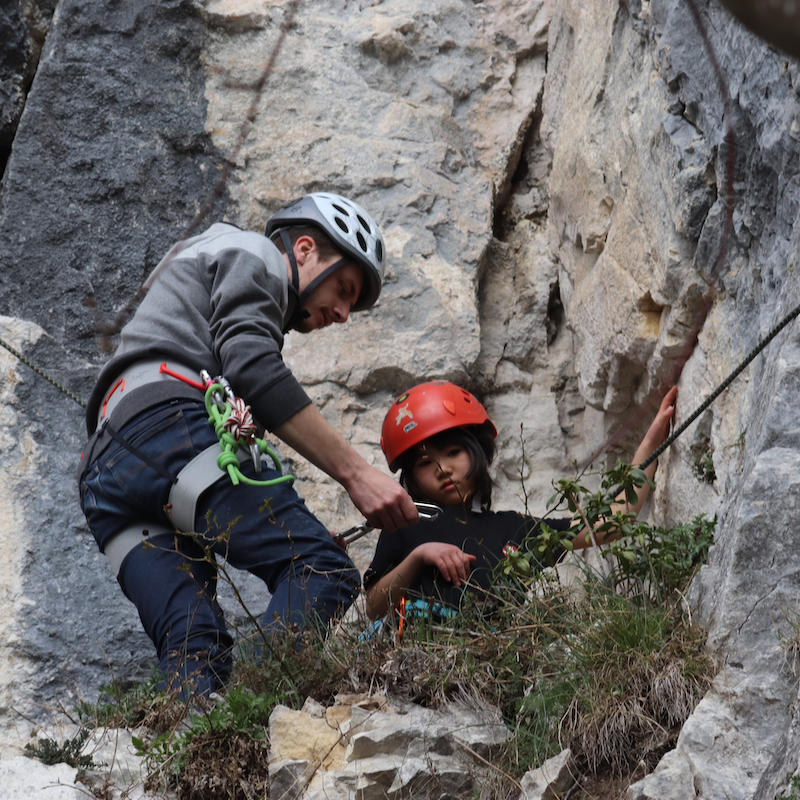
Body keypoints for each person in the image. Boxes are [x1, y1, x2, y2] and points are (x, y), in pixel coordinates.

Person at [78, 192, 419, 696]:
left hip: (107, 476)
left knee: (192, 639)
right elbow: (253, 367)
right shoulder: (254, 252)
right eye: (344, 288)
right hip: (167, 429)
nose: (344, 312)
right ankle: (251, 720)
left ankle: (199, 748)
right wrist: (357, 474)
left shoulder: (203, 266)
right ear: (304, 249)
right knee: (320, 567)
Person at [363, 381, 677, 620]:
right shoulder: (403, 526)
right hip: (417, 672)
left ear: (477, 454)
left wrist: (651, 445)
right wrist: (419, 556)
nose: (442, 468)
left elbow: (611, 525)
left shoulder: (512, 529)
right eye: (424, 463)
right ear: (412, 479)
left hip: (497, 674)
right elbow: (374, 607)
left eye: (453, 453)